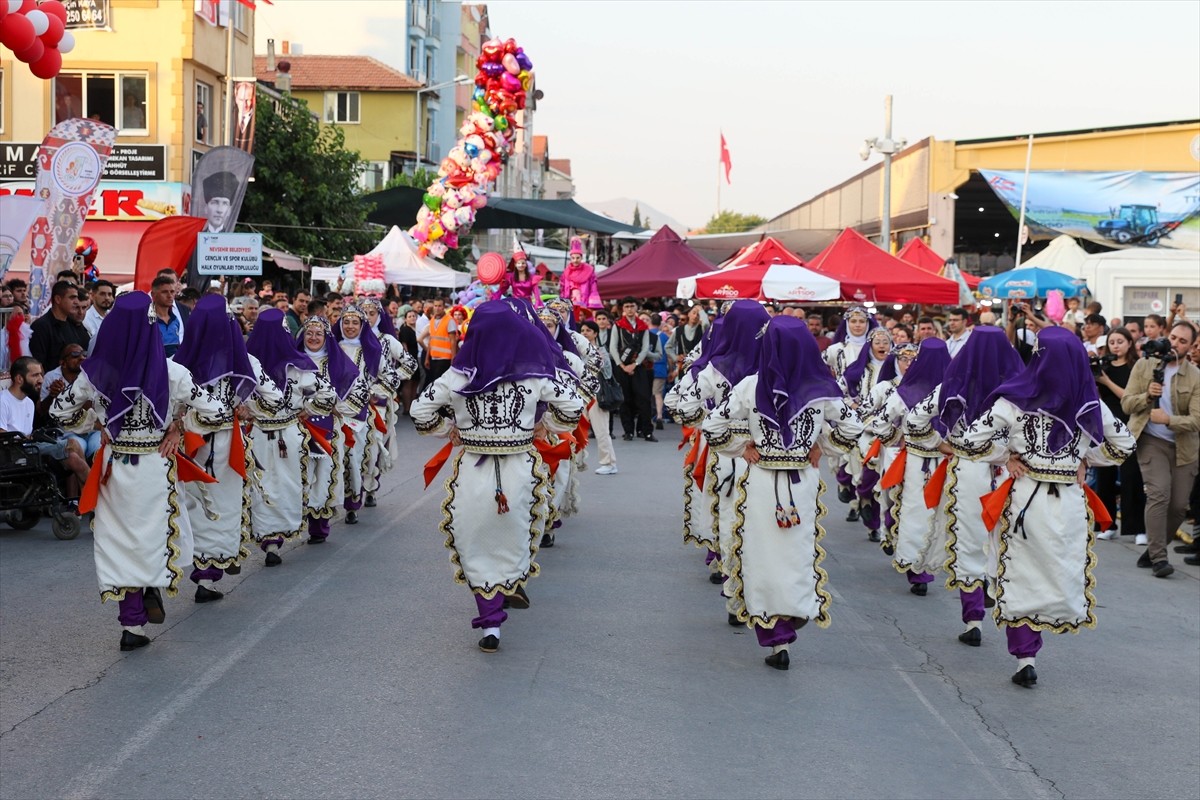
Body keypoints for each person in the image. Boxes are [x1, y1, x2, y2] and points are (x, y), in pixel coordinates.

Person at [954, 327, 1135, 687]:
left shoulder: (1013, 401)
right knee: (1054, 573)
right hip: (1068, 501)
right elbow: (1124, 445)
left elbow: (969, 440)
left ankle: (1025, 656)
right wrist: (1085, 460)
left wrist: (1007, 456)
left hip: (1026, 497)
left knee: (1020, 572)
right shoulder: (1090, 404)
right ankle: (1030, 648)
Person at [49, 293, 226, 651]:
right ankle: (149, 590)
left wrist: (96, 419)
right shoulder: (173, 372)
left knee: (120, 543)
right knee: (153, 538)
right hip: (156, 468)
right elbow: (217, 412)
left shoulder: (93, 375)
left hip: (115, 469)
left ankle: (132, 624)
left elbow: (58, 413)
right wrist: (179, 424)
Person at [411, 301, 583, 654]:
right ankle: (505, 587)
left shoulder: (456, 376)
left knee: (476, 541)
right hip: (521, 468)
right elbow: (573, 407)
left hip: (473, 471)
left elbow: (419, 409)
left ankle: (490, 621)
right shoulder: (534, 375)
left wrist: (449, 429)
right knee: (515, 535)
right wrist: (542, 426)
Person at [703, 316, 863, 670]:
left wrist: (741, 445)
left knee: (763, 554)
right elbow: (853, 426)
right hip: (802, 481)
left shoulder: (750, 385)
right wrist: (823, 445)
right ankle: (792, 615)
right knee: (796, 552)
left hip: (762, 479)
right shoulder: (821, 386)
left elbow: (712, 425)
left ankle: (775, 634)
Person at [174, 295, 282, 601]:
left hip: (189, 447)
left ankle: (203, 571)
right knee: (221, 506)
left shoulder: (178, 363)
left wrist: (180, 421)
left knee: (195, 507)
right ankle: (210, 572)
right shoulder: (243, 361)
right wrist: (244, 406)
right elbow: (274, 400)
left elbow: (165, 406)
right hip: (222, 445)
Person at [928, 327, 1024, 647]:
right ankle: (1010, 614)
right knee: (1005, 541)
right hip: (1010, 473)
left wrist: (943, 445)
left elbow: (916, 420)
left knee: (969, 541)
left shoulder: (952, 383)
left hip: (968, 471)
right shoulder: (1019, 389)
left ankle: (973, 619)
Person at [245, 308, 336, 566]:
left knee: (262, 484)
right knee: (286, 484)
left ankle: (268, 540)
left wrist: (247, 412)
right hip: (289, 433)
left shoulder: (247, 363)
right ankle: (276, 538)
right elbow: (328, 394)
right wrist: (306, 412)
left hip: (260, 434)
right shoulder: (299, 366)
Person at [870, 337, 951, 595]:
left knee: (916, 511)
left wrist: (896, 439)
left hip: (916, 460)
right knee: (945, 513)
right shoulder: (956, 391)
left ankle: (918, 572)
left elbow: (880, 423)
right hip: (951, 461)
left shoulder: (906, 391)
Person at [1120, 321, 1200, 577]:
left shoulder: (1195, 376)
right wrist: (1146, 397)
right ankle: (1159, 559)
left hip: (1184, 447)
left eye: (1183, 341)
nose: (1175, 343)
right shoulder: (1144, 366)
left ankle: (1154, 549)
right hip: (1151, 440)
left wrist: (1169, 420)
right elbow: (1126, 404)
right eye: (1173, 337)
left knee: (1178, 506)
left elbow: (1197, 420)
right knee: (1159, 495)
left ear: (1190, 347)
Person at [3, 356, 90, 489]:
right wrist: (25, 438)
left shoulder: (28, 403)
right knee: (73, 458)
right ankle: (94, 499)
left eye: (41, 375)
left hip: (28, 447)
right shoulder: (3, 400)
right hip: (12, 452)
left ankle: (86, 501)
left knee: (73, 444)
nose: (41, 380)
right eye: (35, 375)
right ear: (19, 378)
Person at [1093, 327, 1139, 541]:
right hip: (1105, 424)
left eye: (1120, 341)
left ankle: (1138, 528)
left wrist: (1106, 381)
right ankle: (1107, 524)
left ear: (1130, 343)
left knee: (1131, 477)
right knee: (1105, 476)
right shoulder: (1103, 367)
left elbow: (1128, 398)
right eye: (1112, 342)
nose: (1116, 345)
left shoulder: (1135, 367)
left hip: (1130, 423)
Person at [38, 343, 101, 460]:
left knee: (98, 449)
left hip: (93, 429)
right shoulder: (52, 377)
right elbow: (42, 411)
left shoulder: (93, 375)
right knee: (75, 450)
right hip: (67, 432)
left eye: (84, 354)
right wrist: (53, 396)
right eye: (75, 355)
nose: (82, 358)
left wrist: (72, 398)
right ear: (63, 362)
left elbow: (97, 407)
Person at [609, 297, 655, 442]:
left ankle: (647, 431)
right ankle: (628, 431)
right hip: (621, 367)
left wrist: (635, 364)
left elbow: (645, 348)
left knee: (644, 398)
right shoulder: (618, 325)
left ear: (637, 308)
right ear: (623, 308)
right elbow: (613, 347)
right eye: (627, 306)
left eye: (632, 306)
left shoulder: (643, 326)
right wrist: (622, 365)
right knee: (625, 400)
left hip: (639, 367)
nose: (629, 309)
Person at [579, 320, 617, 475]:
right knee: (577, 429)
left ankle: (608, 463)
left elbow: (608, 373)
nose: (585, 333)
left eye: (588, 330)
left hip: (597, 395)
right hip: (580, 394)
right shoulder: (576, 352)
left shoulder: (601, 351)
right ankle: (577, 460)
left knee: (601, 430)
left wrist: (600, 361)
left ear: (595, 333)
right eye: (582, 330)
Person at [29, 281, 90, 369]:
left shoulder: (76, 325)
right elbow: (38, 363)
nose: (76, 302)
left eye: (76, 297)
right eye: (72, 298)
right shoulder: (41, 326)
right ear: (58, 299)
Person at [419, 297, 457, 388]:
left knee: (439, 385)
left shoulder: (449, 320)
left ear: (444, 307)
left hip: (445, 358)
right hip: (434, 358)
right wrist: (427, 357)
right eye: (435, 306)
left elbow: (453, 340)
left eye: (440, 306)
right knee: (434, 383)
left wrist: (453, 357)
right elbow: (431, 341)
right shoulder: (432, 320)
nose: (437, 308)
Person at [559, 237, 602, 314]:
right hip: (570, 303)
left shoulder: (589, 270)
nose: (575, 260)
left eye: (578, 258)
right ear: (570, 258)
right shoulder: (566, 272)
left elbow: (593, 288)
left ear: (581, 257)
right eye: (573, 258)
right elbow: (563, 289)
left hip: (584, 303)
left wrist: (591, 305)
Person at [233, 81, 255, 152]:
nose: (244, 104)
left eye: (248, 100)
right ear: (236, 99)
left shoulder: (254, 120)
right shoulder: (231, 118)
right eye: (241, 100)